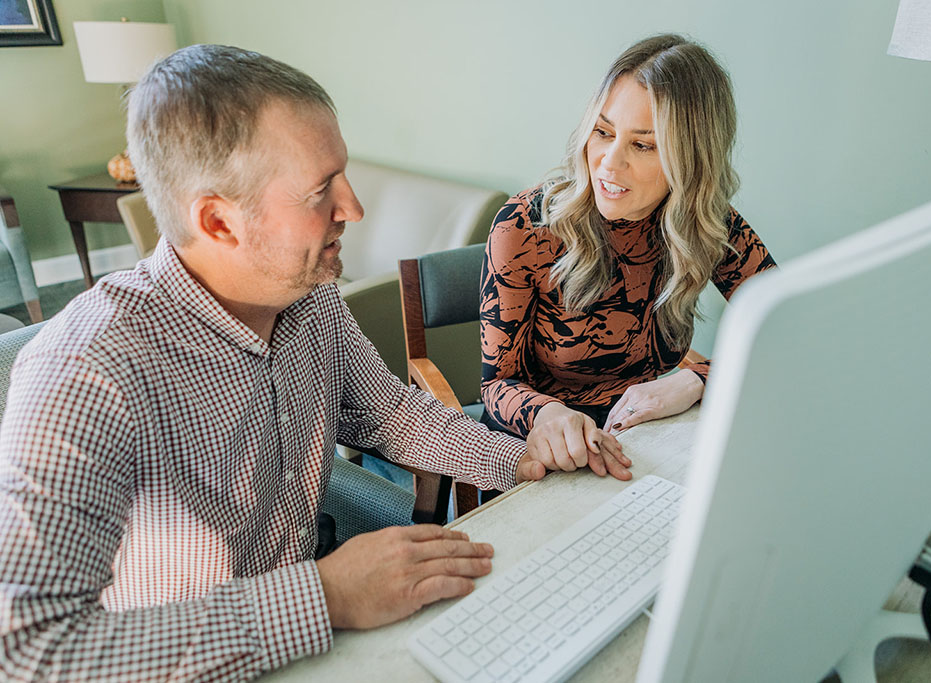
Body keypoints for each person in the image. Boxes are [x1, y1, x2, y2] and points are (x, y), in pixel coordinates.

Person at [0, 45, 550, 680]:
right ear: (218, 220)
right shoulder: (87, 371)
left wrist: (524, 457)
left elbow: (388, 416)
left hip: (317, 636)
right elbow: (28, 649)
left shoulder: (308, 295)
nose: (353, 208)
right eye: (321, 190)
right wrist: (326, 595)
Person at [480, 34, 776, 479]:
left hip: (650, 436)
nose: (607, 164)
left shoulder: (706, 222)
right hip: (542, 449)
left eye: (643, 145)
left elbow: (790, 327)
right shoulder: (525, 226)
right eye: (602, 132)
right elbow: (496, 382)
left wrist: (696, 379)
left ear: (690, 160)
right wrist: (549, 416)